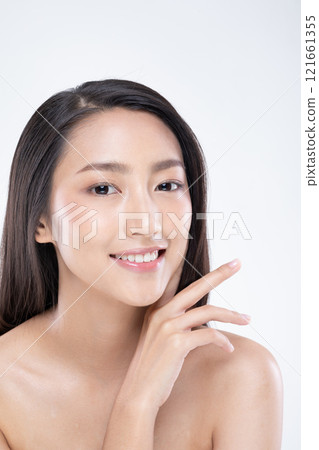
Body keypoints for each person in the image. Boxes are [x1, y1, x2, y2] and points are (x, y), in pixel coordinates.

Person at [0, 79, 283, 449]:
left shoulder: (241, 374)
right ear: (41, 222)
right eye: (103, 188)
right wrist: (137, 403)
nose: (148, 222)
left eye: (167, 185)